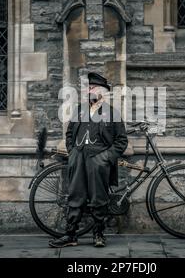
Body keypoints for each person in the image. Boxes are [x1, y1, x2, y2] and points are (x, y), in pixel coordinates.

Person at [49, 72, 128, 248]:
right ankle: (70, 235)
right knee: (75, 196)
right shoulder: (80, 110)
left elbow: (122, 141)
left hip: (98, 161)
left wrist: (105, 158)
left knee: (99, 198)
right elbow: (69, 134)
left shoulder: (111, 113)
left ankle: (99, 234)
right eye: (88, 88)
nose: (88, 91)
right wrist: (73, 152)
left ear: (101, 92)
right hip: (78, 159)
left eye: (92, 88)